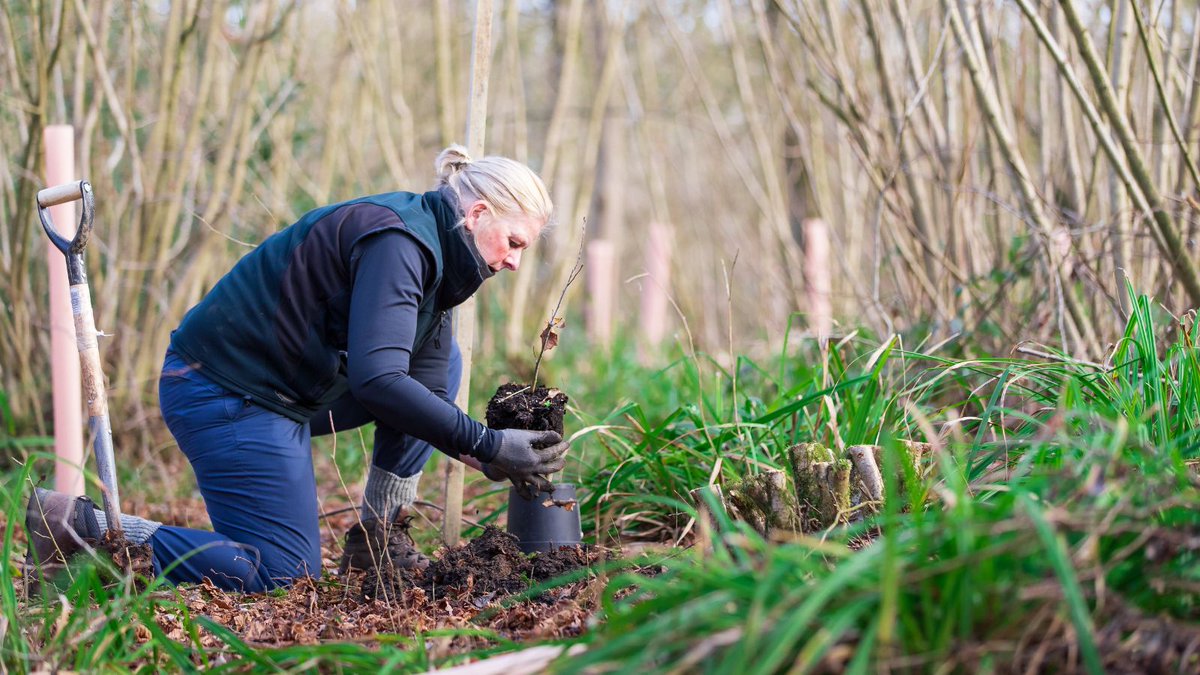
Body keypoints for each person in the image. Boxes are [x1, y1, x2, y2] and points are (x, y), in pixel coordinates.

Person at [26, 145, 570, 592]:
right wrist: (487, 442)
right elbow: (378, 381)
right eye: (514, 242)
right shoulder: (399, 241)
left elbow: (423, 388)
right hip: (223, 391)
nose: (516, 261)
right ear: (476, 216)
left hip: (290, 392)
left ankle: (376, 540)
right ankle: (85, 528)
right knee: (283, 575)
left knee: (441, 367)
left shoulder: (442, 264)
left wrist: (484, 451)